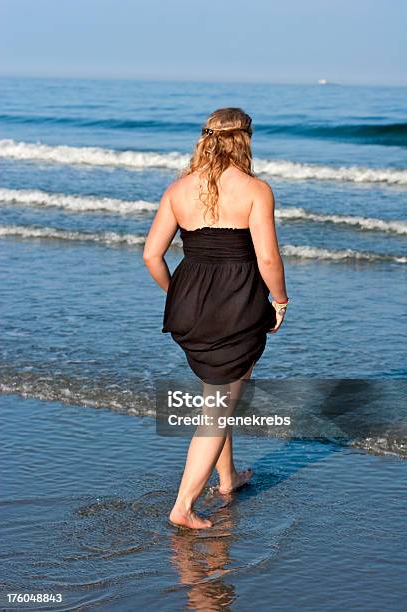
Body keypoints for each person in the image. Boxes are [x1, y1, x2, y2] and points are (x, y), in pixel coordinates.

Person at [143, 107, 289, 529]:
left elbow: (152, 255)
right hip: (238, 307)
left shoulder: (178, 189)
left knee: (216, 393)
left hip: (190, 307)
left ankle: (227, 478)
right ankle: (183, 507)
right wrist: (279, 301)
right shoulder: (255, 190)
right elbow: (266, 257)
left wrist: (179, 296)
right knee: (219, 407)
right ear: (245, 139)